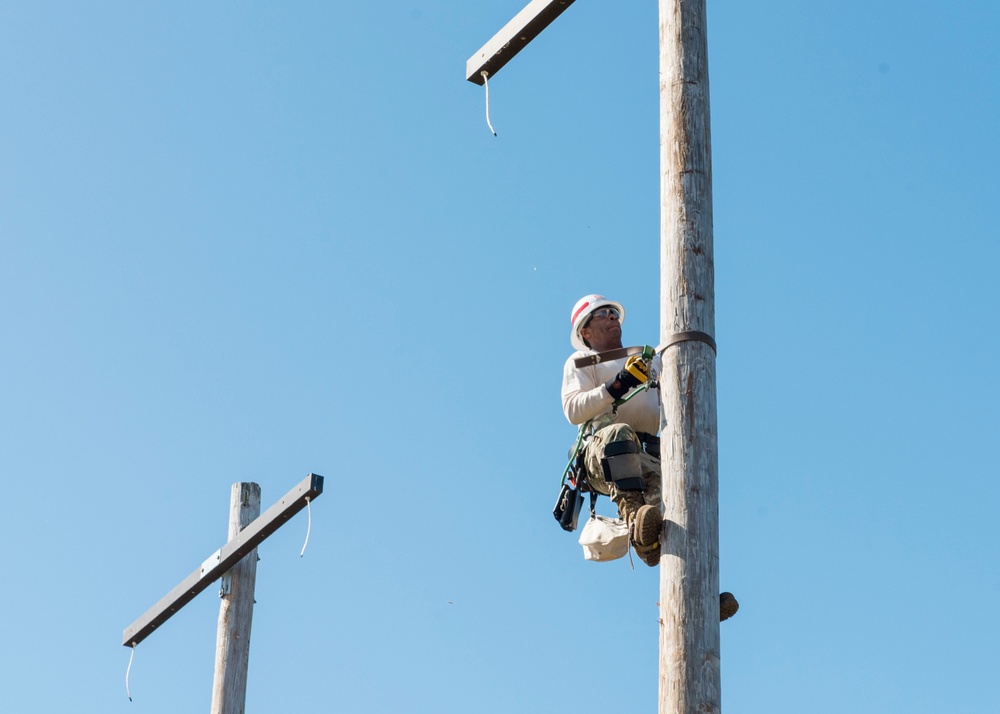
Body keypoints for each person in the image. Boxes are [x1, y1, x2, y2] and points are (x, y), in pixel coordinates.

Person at [562, 294, 738, 619]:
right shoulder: (583, 362)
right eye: (603, 313)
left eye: (614, 312)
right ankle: (633, 516)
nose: (613, 317)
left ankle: (698, 593)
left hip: (646, 455)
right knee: (620, 434)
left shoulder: (646, 358)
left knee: (679, 508)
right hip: (604, 454)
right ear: (585, 331)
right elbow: (573, 409)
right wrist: (618, 385)